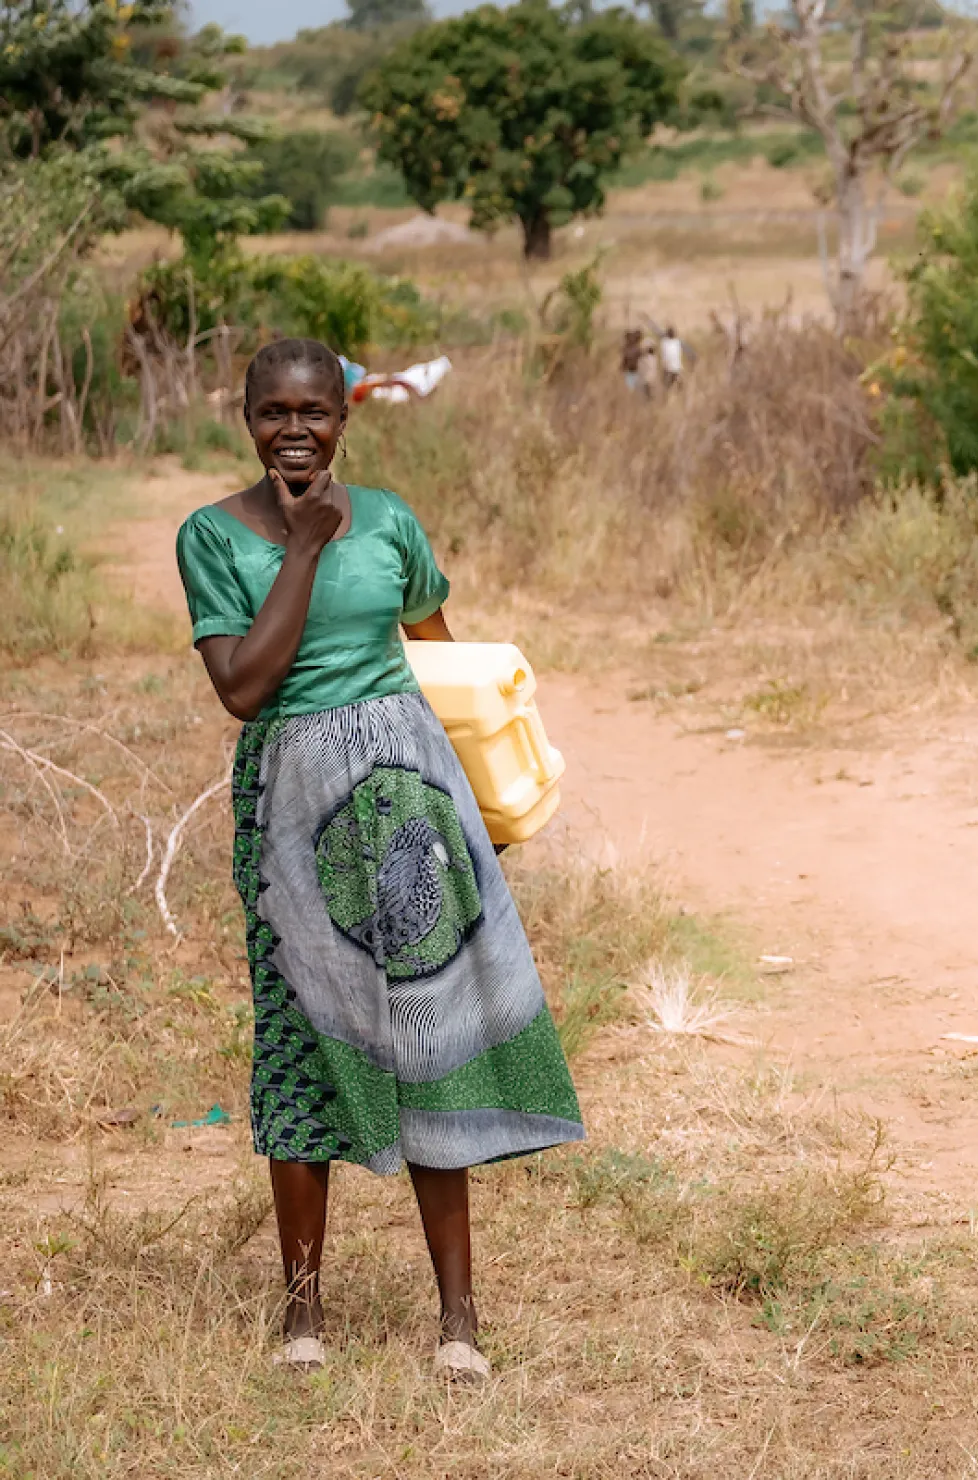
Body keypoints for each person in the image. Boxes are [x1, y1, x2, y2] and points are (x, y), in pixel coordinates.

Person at [174, 337, 585, 1383]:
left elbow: (445, 665)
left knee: (433, 1034)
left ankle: (459, 1323)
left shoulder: (393, 519)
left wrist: (484, 811)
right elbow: (243, 689)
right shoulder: (213, 537)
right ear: (247, 418)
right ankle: (302, 1316)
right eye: (274, 411)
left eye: (314, 409)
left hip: (410, 795)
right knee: (301, 1036)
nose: (295, 428)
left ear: (345, 416)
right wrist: (304, 546)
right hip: (290, 805)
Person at [620, 328, 651, 397]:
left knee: (633, 389)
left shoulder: (635, 348)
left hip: (635, 372)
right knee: (631, 389)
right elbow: (624, 360)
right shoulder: (630, 348)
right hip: (630, 372)